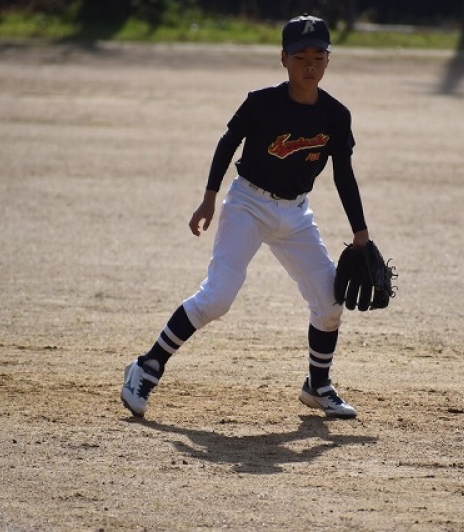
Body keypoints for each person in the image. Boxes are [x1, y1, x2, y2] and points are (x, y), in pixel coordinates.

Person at [121, 14, 371, 420]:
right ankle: (146, 367)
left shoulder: (336, 115)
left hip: (296, 213)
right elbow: (228, 142)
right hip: (248, 205)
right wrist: (208, 198)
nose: (309, 65)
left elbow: (344, 174)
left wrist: (360, 233)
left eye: (318, 56)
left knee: (329, 302)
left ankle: (317, 385)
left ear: (329, 59)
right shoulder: (262, 103)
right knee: (217, 298)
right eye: (300, 57)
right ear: (283, 59)